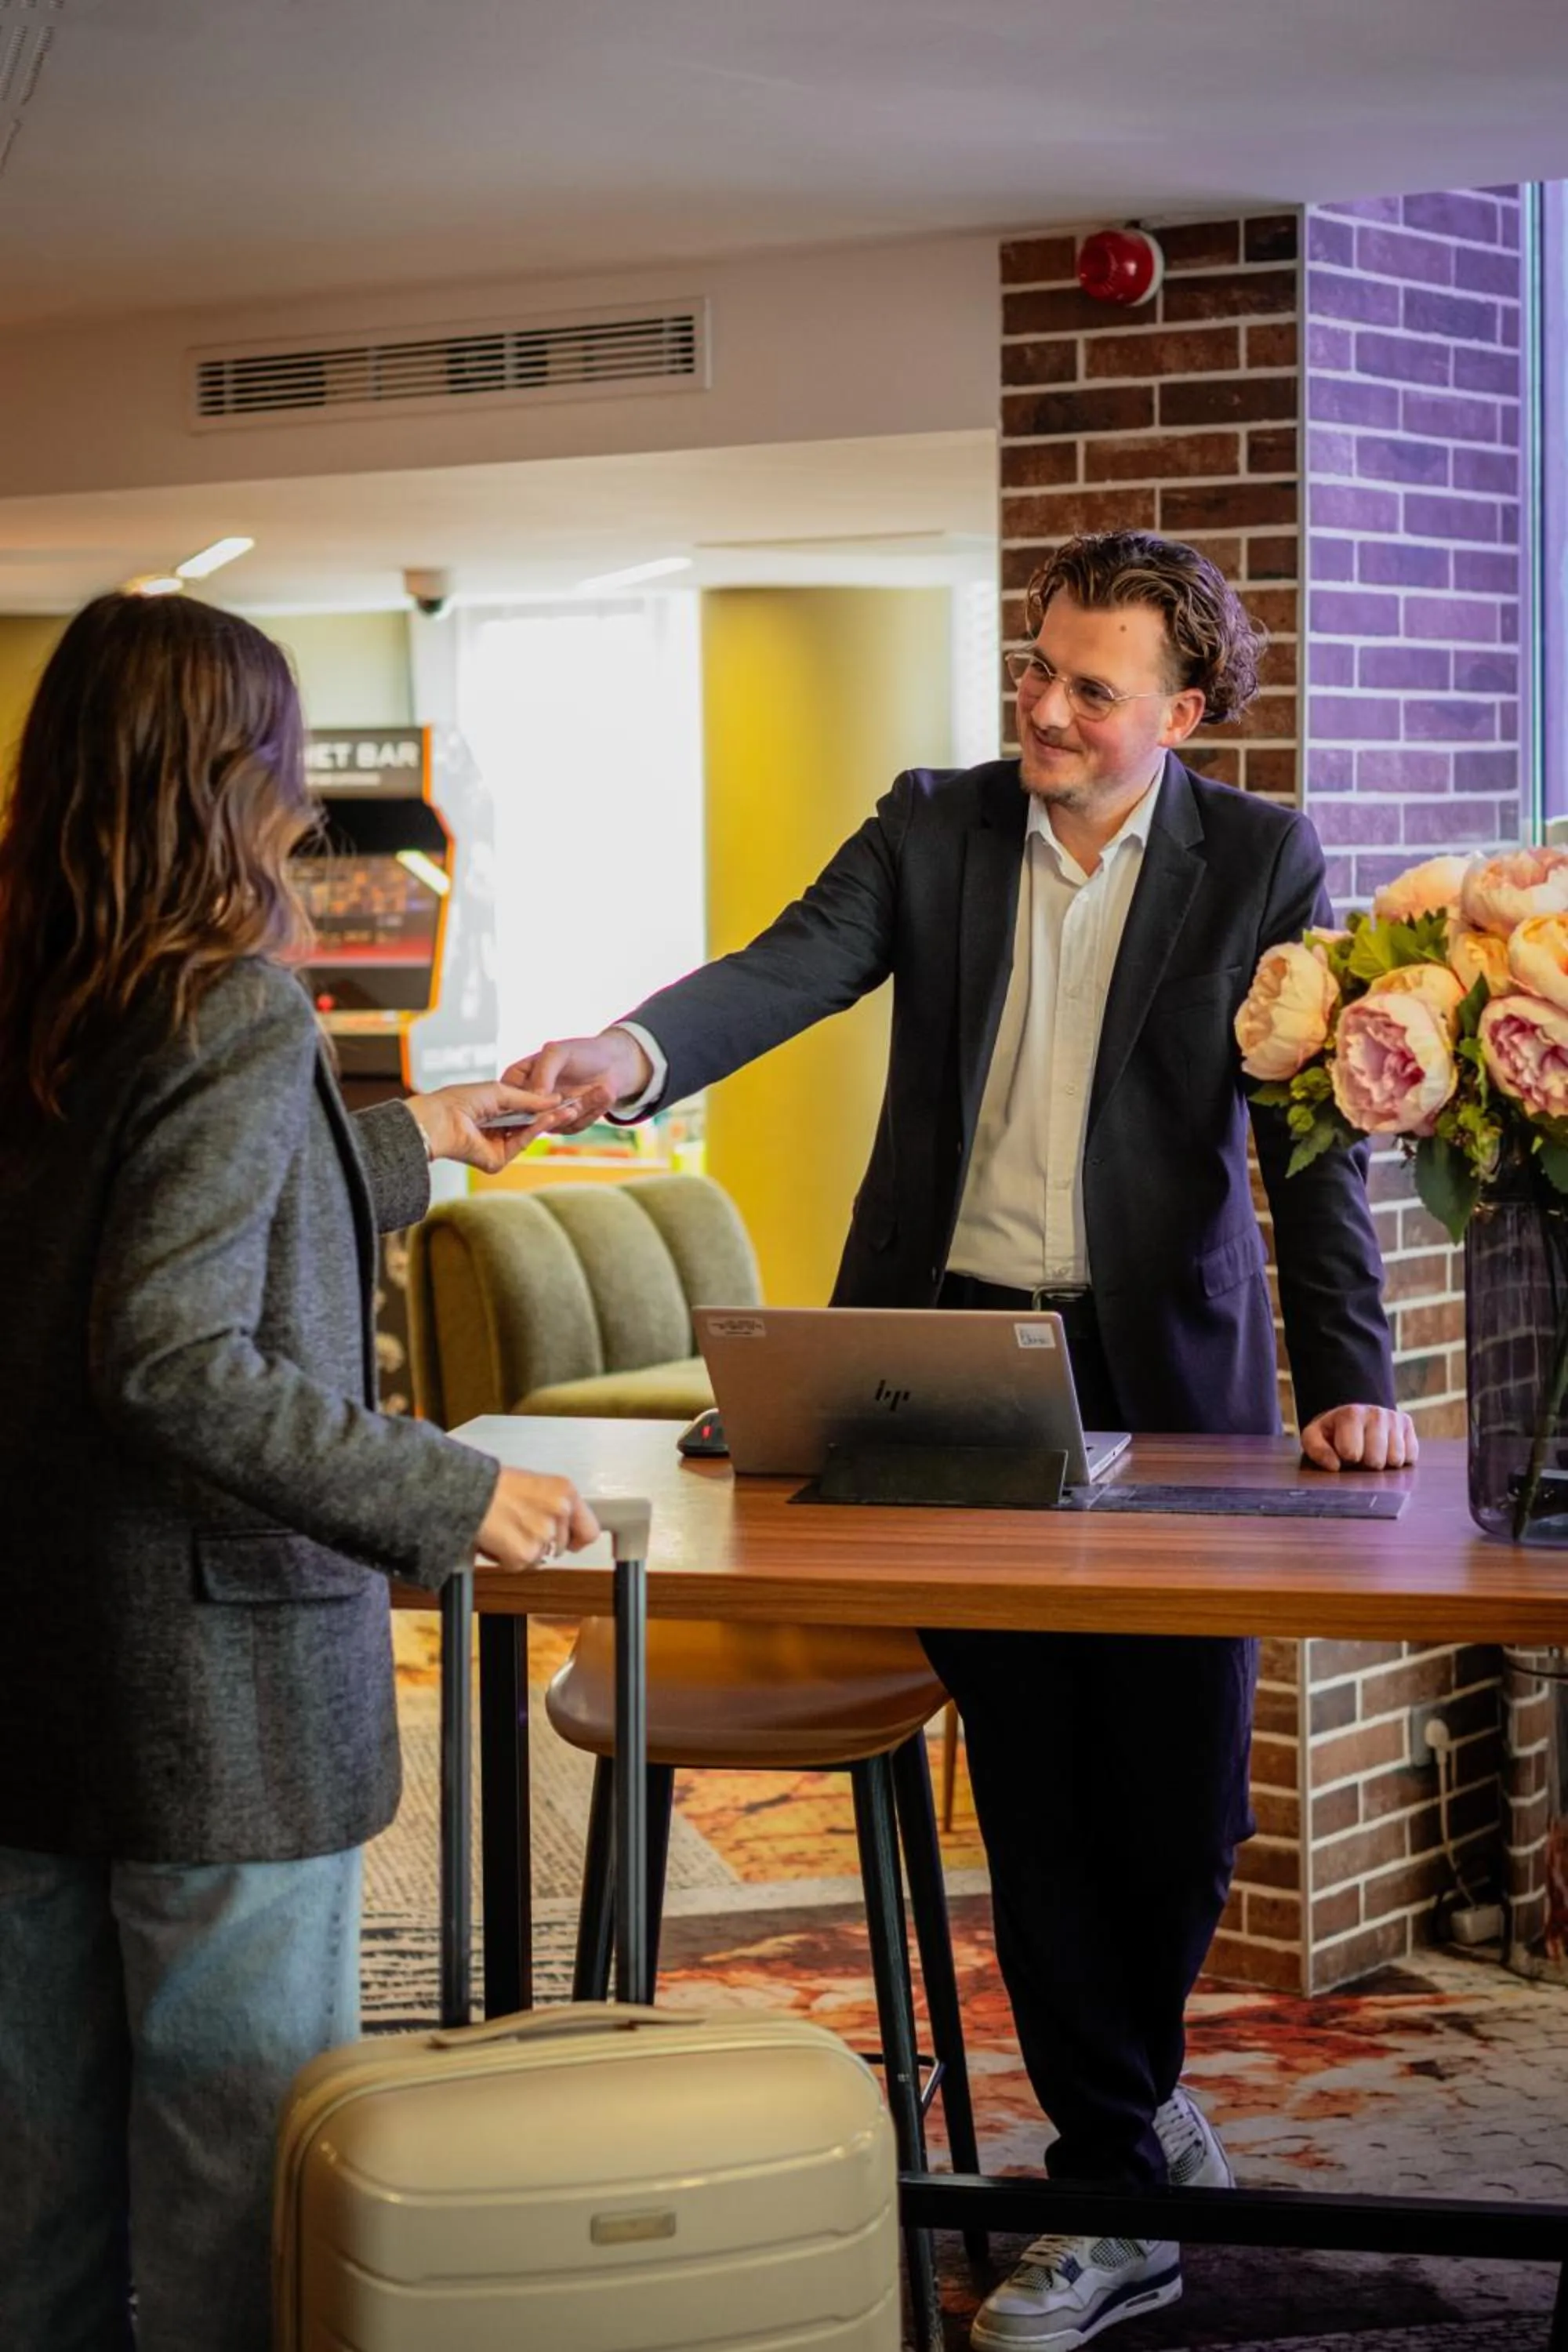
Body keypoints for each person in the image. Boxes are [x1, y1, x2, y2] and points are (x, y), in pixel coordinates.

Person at [505, 530, 1417, 2350]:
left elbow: (1304, 1141)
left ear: (1182, 707)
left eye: (1090, 688)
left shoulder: (1262, 858)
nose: (1045, 710)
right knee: (1035, 1773)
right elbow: (782, 970)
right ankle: (1104, 2190)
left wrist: (1348, 1372)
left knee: (1175, 1790)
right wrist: (627, 1052)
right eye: (1035, 671)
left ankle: (1126, 2112)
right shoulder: (929, 825)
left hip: (1169, 1385)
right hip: (961, 1371)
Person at [0, 592, 602, 2352]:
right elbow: (173, 1350)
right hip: (217, 1702)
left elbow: (132, 1239)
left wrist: (413, 1137)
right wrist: (442, 1491)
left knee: (36, 2200)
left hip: (35, 1669)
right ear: (228, 776)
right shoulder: (235, 1010)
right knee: (230, 2205)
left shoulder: (50, 994)